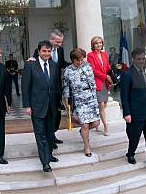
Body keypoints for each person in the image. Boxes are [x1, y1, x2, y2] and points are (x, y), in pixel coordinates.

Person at [22, 40, 61, 172]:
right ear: (39, 51)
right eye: (44, 51)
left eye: (49, 51)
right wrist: (27, 105)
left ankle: (49, 155)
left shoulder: (54, 65)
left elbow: (57, 85)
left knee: (50, 133)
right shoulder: (30, 65)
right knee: (41, 135)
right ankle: (45, 162)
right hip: (37, 106)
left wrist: (60, 102)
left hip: (52, 106)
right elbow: (25, 86)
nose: (46, 53)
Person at [30, 29, 68, 146]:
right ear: (51, 39)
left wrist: (75, 63)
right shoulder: (42, 50)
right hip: (45, 90)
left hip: (57, 86)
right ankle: (49, 139)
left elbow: (61, 64)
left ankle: (52, 135)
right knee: (49, 114)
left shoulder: (60, 50)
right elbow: (35, 63)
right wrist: (31, 60)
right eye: (57, 42)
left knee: (56, 115)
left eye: (61, 42)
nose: (59, 45)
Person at [62, 48, 100, 157]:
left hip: (91, 98)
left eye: (82, 59)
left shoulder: (88, 66)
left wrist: (95, 96)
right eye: (77, 60)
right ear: (73, 60)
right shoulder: (68, 70)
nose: (80, 62)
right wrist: (66, 102)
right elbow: (66, 87)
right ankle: (87, 146)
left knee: (96, 123)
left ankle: (83, 131)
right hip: (79, 100)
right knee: (85, 125)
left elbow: (92, 82)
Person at [87, 36, 112, 136]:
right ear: (93, 45)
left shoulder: (104, 54)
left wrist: (112, 76)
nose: (99, 45)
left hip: (106, 82)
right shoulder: (90, 55)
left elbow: (108, 67)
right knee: (101, 104)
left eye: (100, 43)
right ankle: (105, 126)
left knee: (104, 104)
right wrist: (105, 76)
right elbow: (92, 70)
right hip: (97, 82)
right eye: (96, 43)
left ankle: (97, 121)